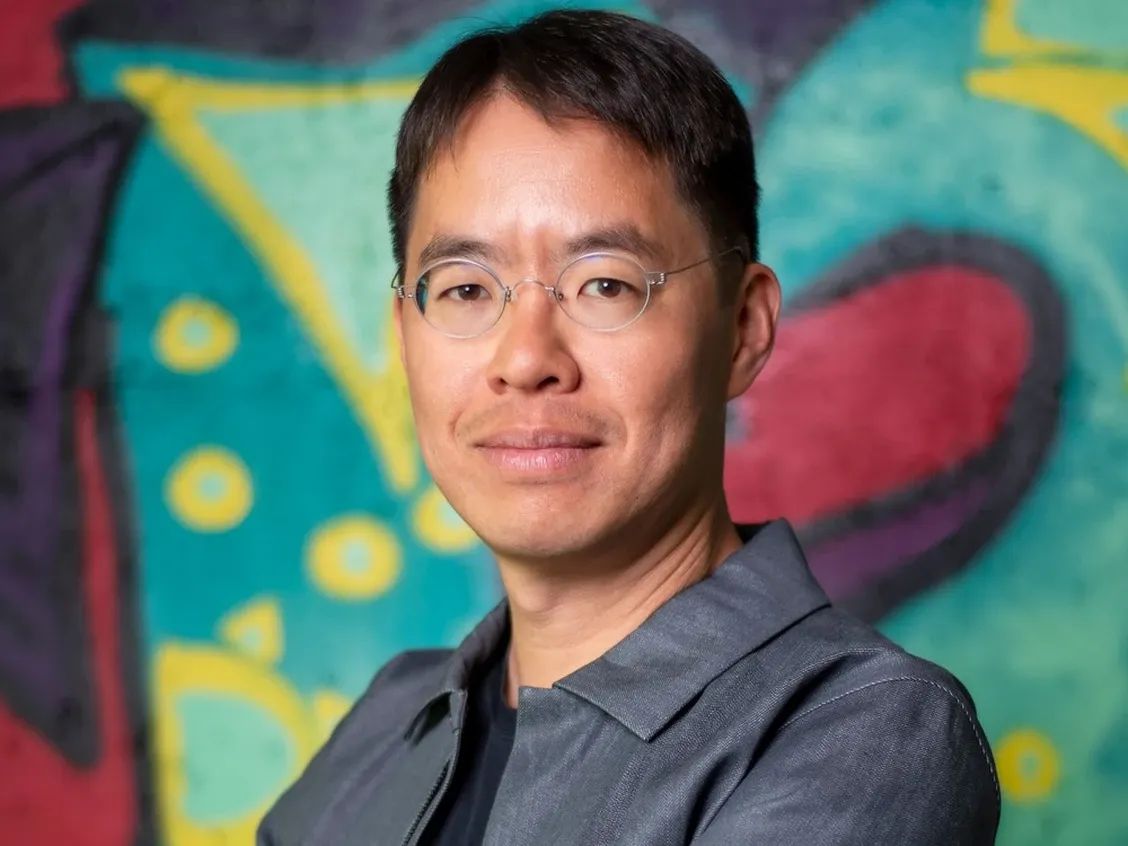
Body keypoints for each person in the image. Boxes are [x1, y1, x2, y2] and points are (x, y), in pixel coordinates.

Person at [258, 9, 1000, 845]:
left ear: (743, 329)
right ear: (405, 336)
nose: (526, 359)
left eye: (605, 285)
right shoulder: (388, 729)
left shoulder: (861, 733)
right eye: (466, 289)